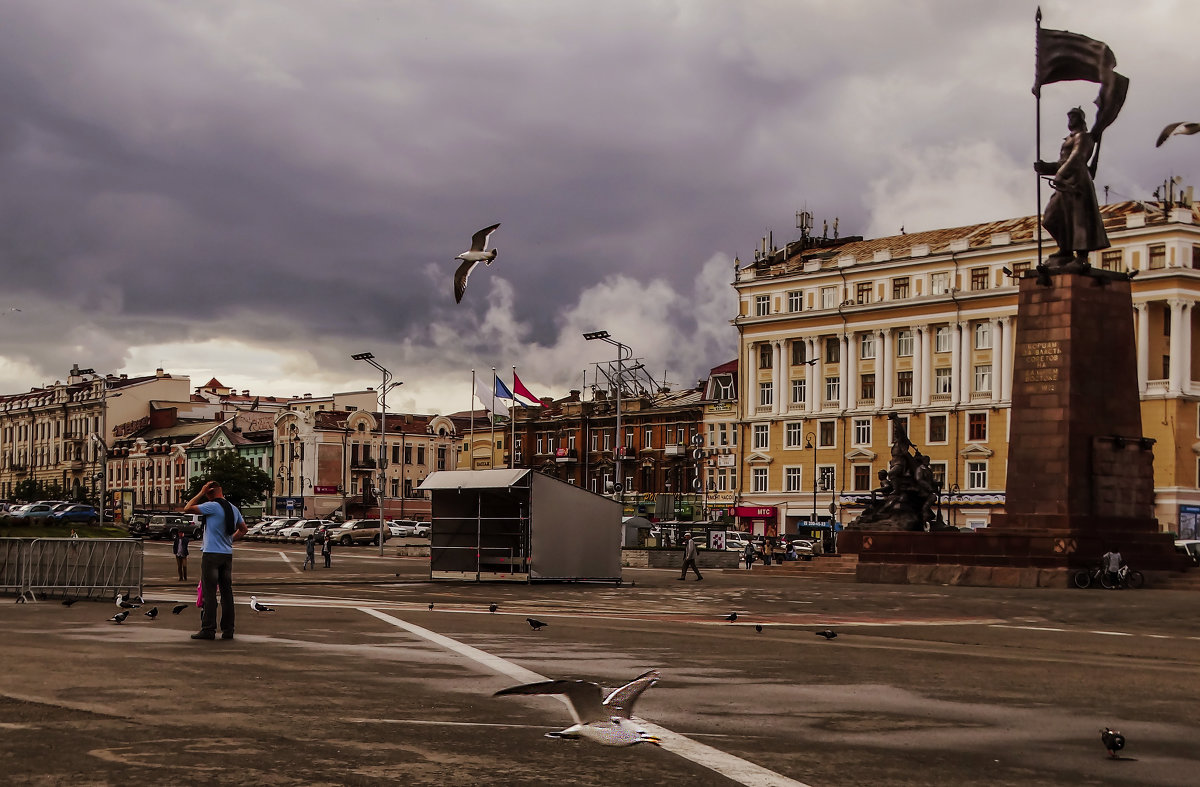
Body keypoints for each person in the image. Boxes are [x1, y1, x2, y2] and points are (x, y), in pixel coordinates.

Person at [1035, 107, 1110, 266]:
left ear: (1081, 119)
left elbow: (1076, 158)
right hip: (1064, 183)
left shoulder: (1084, 137)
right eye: (1068, 117)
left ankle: (1081, 257)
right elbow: (1063, 162)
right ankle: (1065, 249)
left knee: (1079, 220)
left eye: (1073, 117)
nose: (1070, 121)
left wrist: (1060, 174)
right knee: (1050, 218)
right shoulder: (1069, 138)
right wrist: (1045, 167)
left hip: (1077, 183)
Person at [185, 480, 247, 641]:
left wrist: (200, 493)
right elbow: (243, 529)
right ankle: (228, 630)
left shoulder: (212, 506)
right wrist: (230, 541)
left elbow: (187, 508)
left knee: (210, 592)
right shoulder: (233, 509)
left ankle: (208, 629)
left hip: (211, 554)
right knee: (227, 593)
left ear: (209, 492)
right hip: (227, 555)